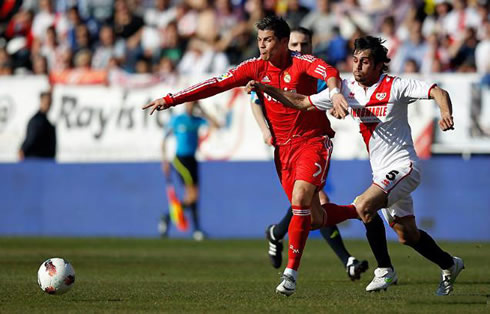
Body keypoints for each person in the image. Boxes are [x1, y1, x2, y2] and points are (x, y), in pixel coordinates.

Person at [143, 16, 357, 296]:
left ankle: (291, 274)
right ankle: (361, 210)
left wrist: (334, 91)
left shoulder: (301, 62)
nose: (262, 45)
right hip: (283, 151)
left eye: (267, 40)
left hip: (312, 142)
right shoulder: (254, 68)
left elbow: (329, 70)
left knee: (300, 199)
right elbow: (214, 84)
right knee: (312, 217)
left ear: (282, 42)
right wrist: (170, 99)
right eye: (259, 40)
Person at [248, 36, 464, 296]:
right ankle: (450, 264)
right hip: (381, 173)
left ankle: (385, 270)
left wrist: (445, 112)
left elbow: (438, 91)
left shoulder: (396, 86)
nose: (358, 66)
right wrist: (265, 88)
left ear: (378, 66)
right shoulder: (346, 91)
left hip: (404, 166)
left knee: (363, 205)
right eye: (355, 61)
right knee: (408, 235)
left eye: (365, 62)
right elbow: (302, 102)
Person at [251, 27, 368, 281]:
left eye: (304, 44)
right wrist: (264, 131)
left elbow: (326, 97)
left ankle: (277, 234)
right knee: (311, 206)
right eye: (294, 44)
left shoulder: (315, 71)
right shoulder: (273, 68)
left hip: (312, 143)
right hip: (287, 146)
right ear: (284, 45)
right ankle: (346, 256)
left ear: (312, 46)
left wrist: (337, 108)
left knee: (308, 203)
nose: (299, 49)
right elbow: (255, 100)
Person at [159, 101, 220, 241]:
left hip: (192, 160)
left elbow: (216, 125)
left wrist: (203, 111)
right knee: (192, 195)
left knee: (193, 197)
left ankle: (188, 226)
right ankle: (188, 226)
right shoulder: (177, 120)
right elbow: (164, 139)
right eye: (189, 104)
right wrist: (164, 161)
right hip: (180, 160)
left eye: (193, 104)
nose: (190, 106)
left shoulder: (197, 120)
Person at [19, 91, 56, 160]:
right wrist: (22, 149)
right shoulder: (36, 121)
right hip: (35, 160)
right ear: (41, 102)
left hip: (45, 161)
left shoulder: (47, 122)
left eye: (50, 102)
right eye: (46, 102)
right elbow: (30, 138)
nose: (48, 104)